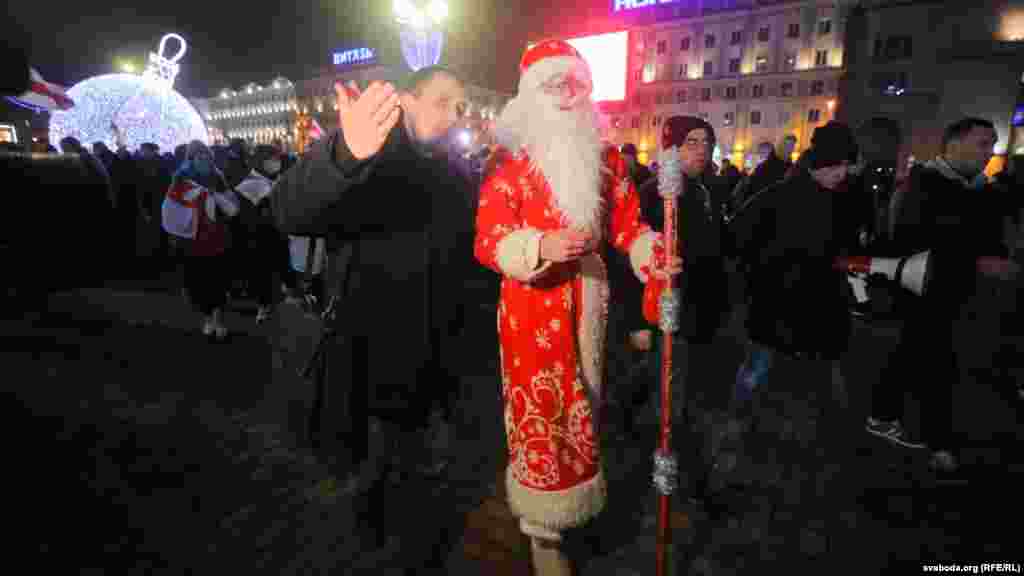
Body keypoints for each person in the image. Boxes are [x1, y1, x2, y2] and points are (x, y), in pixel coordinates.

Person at [474, 39, 679, 575]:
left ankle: (571, 509)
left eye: (575, 83)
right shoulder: (508, 162)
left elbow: (628, 226)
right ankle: (544, 535)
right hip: (531, 308)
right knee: (542, 413)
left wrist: (652, 252)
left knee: (584, 404)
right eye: (553, 83)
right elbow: (488, 238)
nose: (566, 94)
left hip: (588, 302)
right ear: (531, 94)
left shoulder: (607, 158)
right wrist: (538, 246)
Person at [270, 66, 477, 574]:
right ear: (406, 101)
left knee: (425, 493)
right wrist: (344, 154)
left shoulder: (458, 174)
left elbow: (469, 269)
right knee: (368, 491)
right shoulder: (369, 157)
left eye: (461, 106)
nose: (456, 116)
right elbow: (288, 210)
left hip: (436, 369)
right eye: (443, 102)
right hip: (368, 365)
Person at [868, 118, 1019, 475]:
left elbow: (989, 237)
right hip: (925, 292)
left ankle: (891, 417)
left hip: (966, 296)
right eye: (982, 143)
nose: (989, 152)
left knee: (922, 359)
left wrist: (995, 258)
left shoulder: (984, 191)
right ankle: (935, 439)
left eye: (993, 143)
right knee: (934, 364)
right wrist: (976, 259)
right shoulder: (922, 186)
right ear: (954, 145)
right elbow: (911, 240)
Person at [637, 115, 734, 503]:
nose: (701, 149)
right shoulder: (654, 193)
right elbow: (638, 256)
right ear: (672, 147)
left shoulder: (704, 189)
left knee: (684, 398)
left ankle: (676, 465)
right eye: (691, 142)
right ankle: (672, 475)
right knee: (669, 400)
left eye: (706, 142)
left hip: (699, 313)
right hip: (667, 313)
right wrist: (638, 322)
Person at [163, 141, 240, 340]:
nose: (204, 160)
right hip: (193, 238)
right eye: (199, 156)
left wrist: (217, 197)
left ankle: (218, 319)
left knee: (218, 278)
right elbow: (173, 207)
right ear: (191, 158)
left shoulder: (217, 176)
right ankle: (208, 317)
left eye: (206, 156)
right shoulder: (181, 178)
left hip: (217, 235)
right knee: (199, 280)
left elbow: (230, 204)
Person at [234, 144, 285, 323]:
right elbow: (245, 216)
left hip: (280, 234)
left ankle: (280, 303)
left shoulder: (281, 180)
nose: (275, 162)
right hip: (259, 237)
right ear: (261, 161)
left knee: (280, 270)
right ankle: (263, 306)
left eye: (277, 159)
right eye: (271, 159)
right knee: (261, 273)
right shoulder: (249, 185)